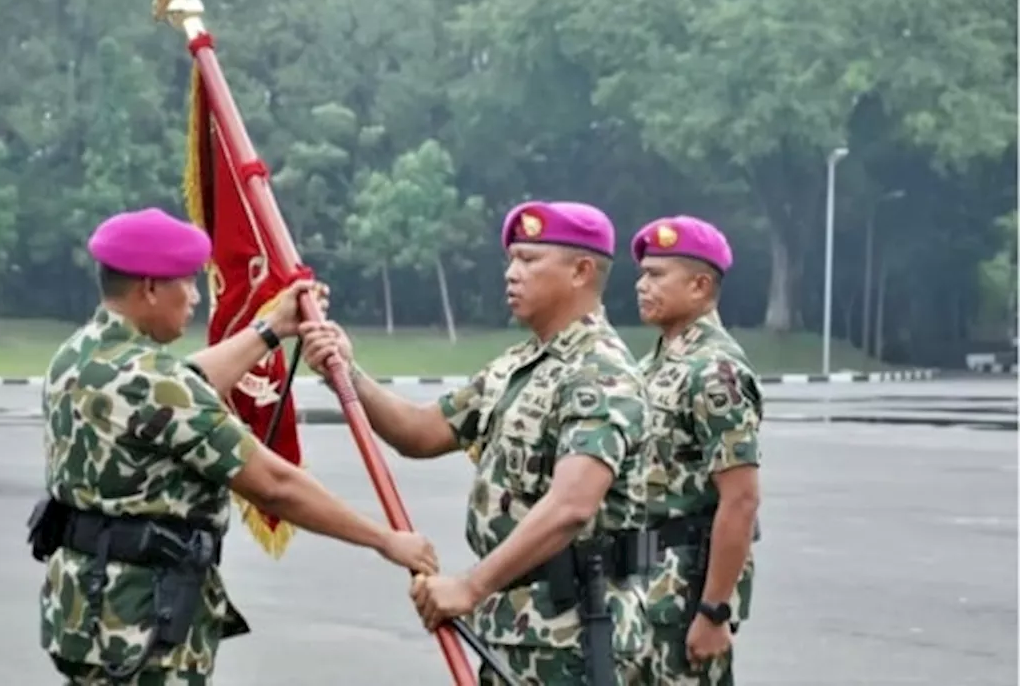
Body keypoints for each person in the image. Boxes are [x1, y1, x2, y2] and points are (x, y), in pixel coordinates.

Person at [28, 207, 439, 686]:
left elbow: (187, 383)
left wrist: (270, 329)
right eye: (187, 283)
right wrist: (385, 540)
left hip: (88, 612)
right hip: (140, 625)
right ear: (150, 288)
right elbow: (274, 485)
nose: (196, 297)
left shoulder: (82, 354)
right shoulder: (152, 381)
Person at [300, 201, 654, 685]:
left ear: (581, 271)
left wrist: (470, 586)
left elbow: (572, 505)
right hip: (515, 629)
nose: (511, 274)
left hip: (575, 635)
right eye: (511, 260)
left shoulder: (600, 372)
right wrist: (346, 372)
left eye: (529, 260)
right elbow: (422, 432)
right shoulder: (518, 365)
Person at [630, 215, 763, 685]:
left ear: (700, 284)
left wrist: (713, 610)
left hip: (684, 594)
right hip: (641, 586)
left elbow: (741, 498)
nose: (641, 285)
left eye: (657, 274)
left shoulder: (714, 371)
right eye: (643, 273)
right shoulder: (654, 365)